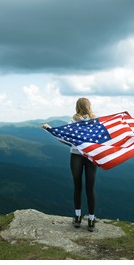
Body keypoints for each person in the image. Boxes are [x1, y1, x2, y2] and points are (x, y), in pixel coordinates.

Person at [43, 97, 98, 232]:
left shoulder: (73, 121)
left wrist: (49, 129)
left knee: (77, 187)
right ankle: (91, 219)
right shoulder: (95, 122)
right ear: (89, 106)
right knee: (90, 189)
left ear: (77, 106)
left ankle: (78, 218)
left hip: (76, 157)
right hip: (91, 157)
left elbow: (64, 138)